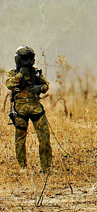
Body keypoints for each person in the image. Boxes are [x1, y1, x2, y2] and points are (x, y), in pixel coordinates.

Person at [5, 45, 51, 173]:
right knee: (20, 139)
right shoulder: (13, 73)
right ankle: (23, 167)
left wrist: (40, 88)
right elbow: (9, 84)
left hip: (36, 109)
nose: (29, 62)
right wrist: (21, 74)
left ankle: (45, 167)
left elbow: (46, 85)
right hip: (20, 111)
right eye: (26, 59)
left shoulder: (35, 72)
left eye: (30, 59)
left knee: (44, 137)